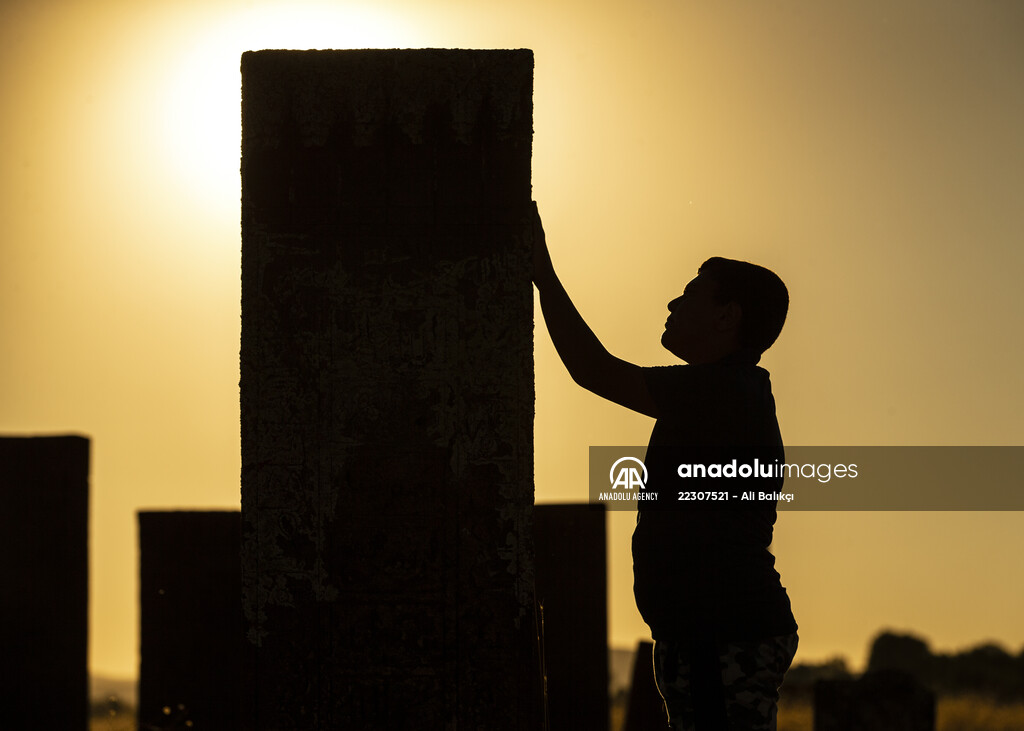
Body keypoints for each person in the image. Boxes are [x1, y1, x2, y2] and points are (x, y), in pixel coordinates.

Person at [530, 203, 798, 730]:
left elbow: (593, 371)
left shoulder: (724, 390)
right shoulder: (723, 391)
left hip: (720, 632)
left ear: (728, 316)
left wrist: (542, 274)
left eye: (692, 293)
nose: (674, 301)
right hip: (707, 630)